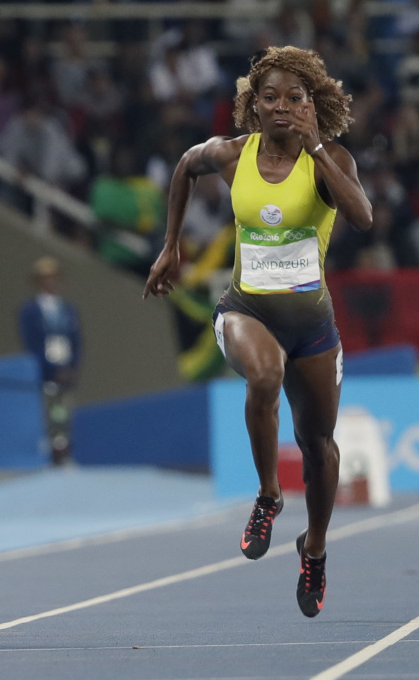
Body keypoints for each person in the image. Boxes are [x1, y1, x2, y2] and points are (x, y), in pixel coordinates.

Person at [143, 46, 373, 618]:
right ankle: (269, 496)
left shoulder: (330, 160)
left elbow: (364, 217)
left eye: (294, 99)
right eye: (269, 97)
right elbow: (182, 167)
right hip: (246, 310)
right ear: (252, 104)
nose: (281, 107)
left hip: (314, 328)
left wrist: (317, 146)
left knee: (319, 447)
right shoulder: (230, 154)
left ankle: (314, 548)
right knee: (264, 374)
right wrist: (170, 245)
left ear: (311, 105)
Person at [18, 257, 82, 467]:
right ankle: (50, 455)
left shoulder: (68, 310)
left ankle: (65, 453)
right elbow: (32, 344)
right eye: (46, 278)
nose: (51, 282)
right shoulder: (30, 311)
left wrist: (71, 367)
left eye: (54, 278)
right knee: (49, 412)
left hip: (66, 369)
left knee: (64, 412)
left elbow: (76, 341)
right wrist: (50, 368)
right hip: (46, 371)